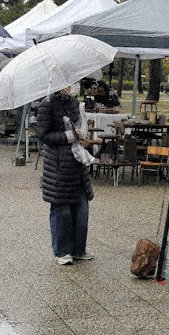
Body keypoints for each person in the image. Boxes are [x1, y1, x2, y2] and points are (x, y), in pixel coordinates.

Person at [36, 85, 95, 265]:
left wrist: (84, 139)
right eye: (67, 81)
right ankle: (62, 251)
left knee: (81, 209)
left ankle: (78, 249)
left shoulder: (74, 101)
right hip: (58, 166)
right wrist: (69, 136)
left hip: (77, 163)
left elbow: (80, 128)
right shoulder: (47, 104)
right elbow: (43, 135)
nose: (72, 85)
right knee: (61, 209)